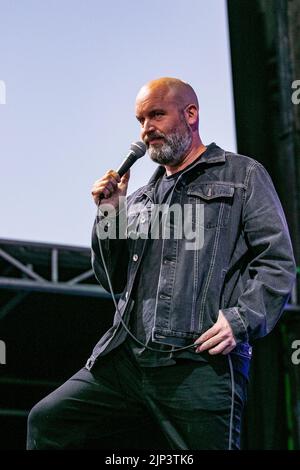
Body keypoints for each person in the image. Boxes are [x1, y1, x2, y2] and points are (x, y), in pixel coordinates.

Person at [27, 77, 296, 450]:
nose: (146, 130)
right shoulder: (140, 198)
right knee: (49, 423)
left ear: (190, 114)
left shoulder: (242, 175)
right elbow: (111, 278)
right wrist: (110, 214)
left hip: (198, 363)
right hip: (127, 360)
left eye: (156, 115)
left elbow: (276, 261)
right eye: (140, 120)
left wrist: (241, 319)